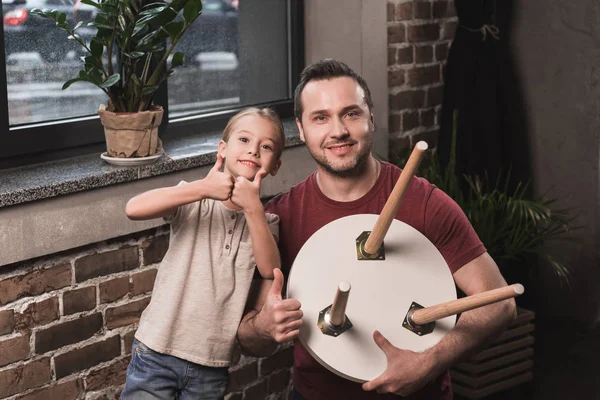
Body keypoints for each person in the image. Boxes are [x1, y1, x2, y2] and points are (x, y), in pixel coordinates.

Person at [236, 59, 517, 399]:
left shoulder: (425, 203)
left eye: (351, 113)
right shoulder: (279, 217)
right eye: (320, 117)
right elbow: (250, 340)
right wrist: (265, 327)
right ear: (301, 127)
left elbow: (499, 303)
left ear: (371, 117)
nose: (338, 130)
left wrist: (430, 361)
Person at [121, 107, 285, 400]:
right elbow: (133, 208)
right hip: (156, 352)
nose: (254, 150)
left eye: (266, 146)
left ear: (276, 165)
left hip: (212, 365)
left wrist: (253, 208)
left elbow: (269, 270)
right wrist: (202, 188)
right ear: (223, 149)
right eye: (244, 140)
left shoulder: (267, 222)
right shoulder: (196, 199)